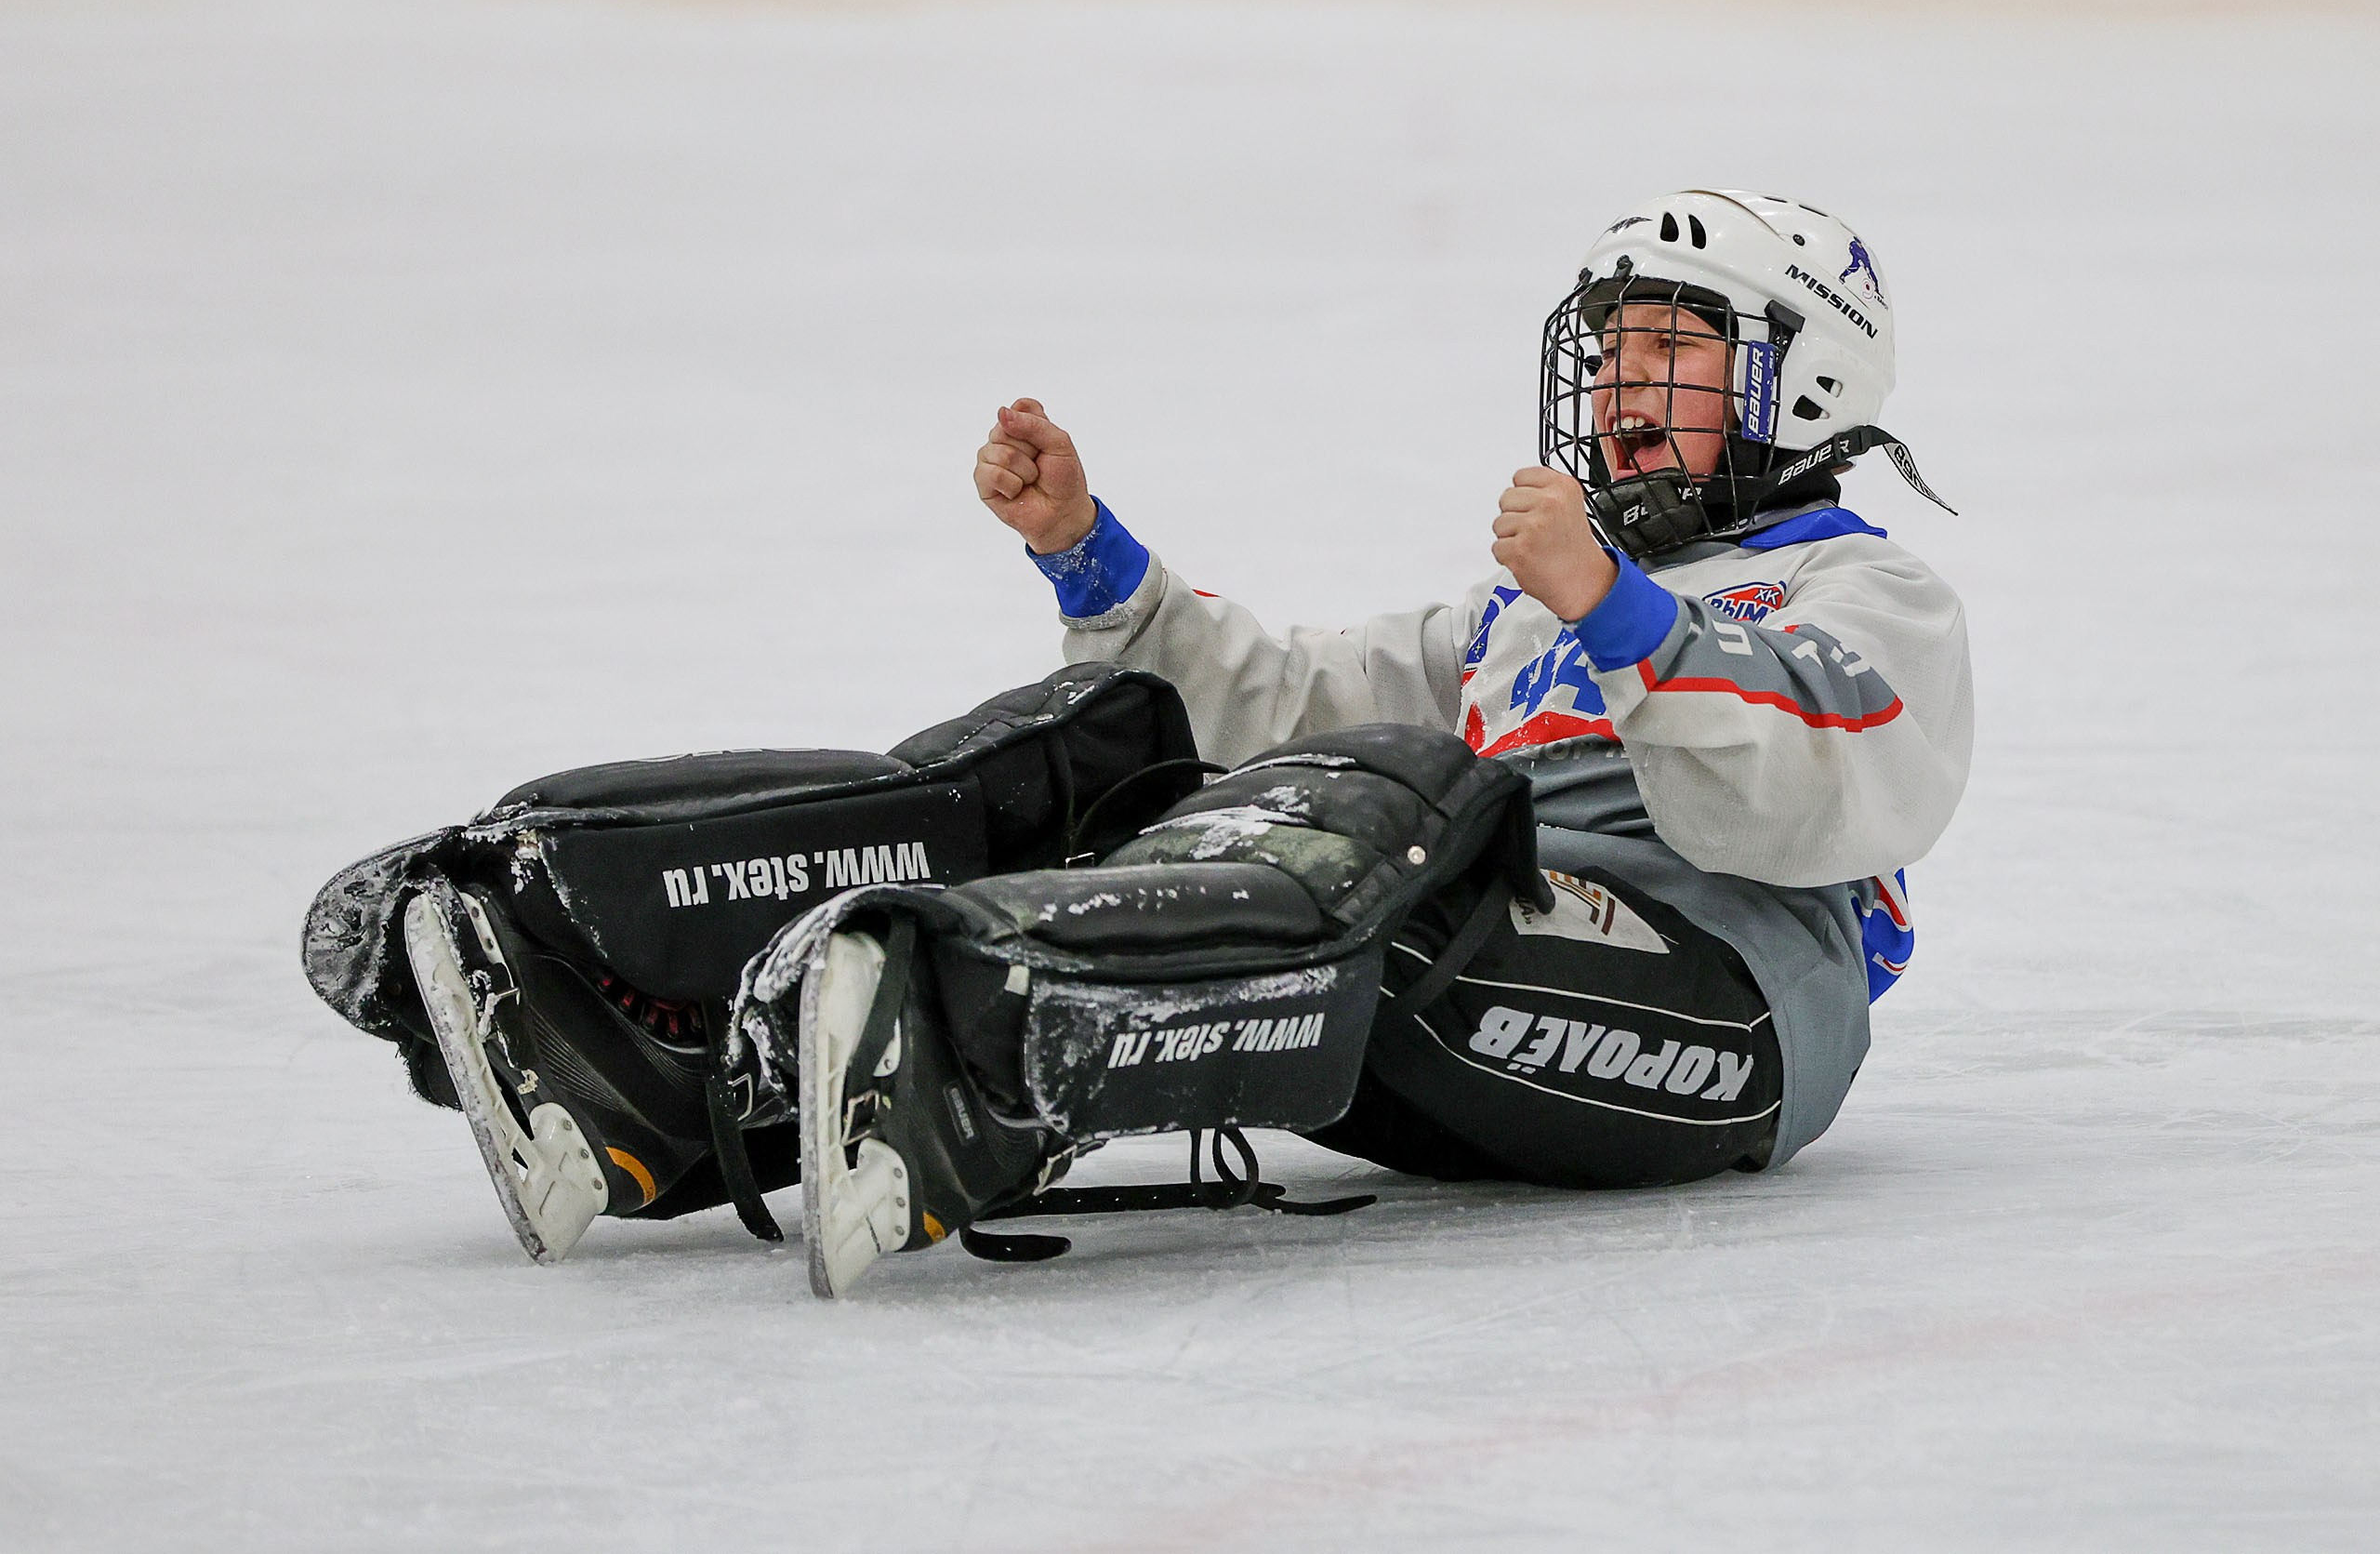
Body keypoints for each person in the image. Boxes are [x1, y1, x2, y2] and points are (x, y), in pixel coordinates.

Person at [760, 188, 1972, 1296]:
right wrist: (1093, 558)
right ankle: (699, 1067)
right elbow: (1284, 707)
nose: (1616, 390)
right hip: (1477, 993)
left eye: (1668, 350)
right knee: (1134, 764)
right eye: (1611, 353)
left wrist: (1619, 610)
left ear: (1800, 384)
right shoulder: (1518, 612)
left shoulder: (1861, 588)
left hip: (1727, 1011)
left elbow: (1825, 767)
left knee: (1377, 882)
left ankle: (972, 1071)